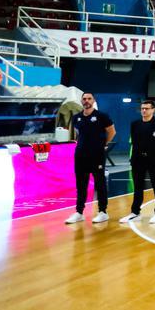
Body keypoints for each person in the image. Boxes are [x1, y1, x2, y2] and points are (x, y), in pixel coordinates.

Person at [64, 92, 116, 224]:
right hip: (80, 155)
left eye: (89, 99)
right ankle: (79, 212)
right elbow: (78, 134)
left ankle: (103, 212)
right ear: (81, 101)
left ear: (93, 101)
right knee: (81, 184)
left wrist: (102, 144)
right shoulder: (76, 118)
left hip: (97, 155)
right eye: (84, 99)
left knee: (100, 183)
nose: (86, 101)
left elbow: (112, 132)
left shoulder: (102, 116)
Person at [120, 100, 155, 224]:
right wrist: (134, 157)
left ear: (153, 109)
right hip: (138, 159)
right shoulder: (135, 124)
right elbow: (135, 142)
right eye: (142, 108)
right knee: (138, 186)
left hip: (153, 160)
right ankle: (135, 212)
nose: (144, 110)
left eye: (147, 108)